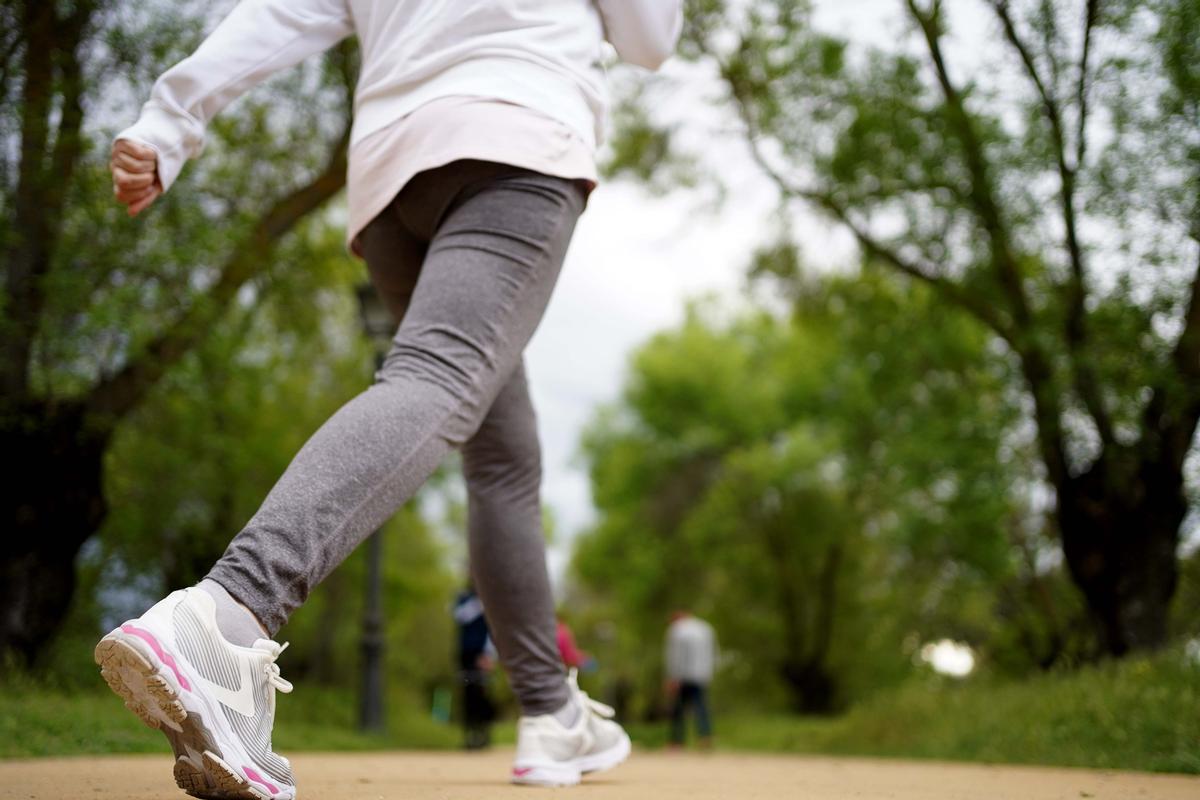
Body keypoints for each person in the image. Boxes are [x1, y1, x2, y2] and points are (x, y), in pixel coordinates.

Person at [95, 2, 683, 797]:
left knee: (503, 457)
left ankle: (551, 712)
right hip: (517, 133)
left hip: (391, 178)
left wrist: (171, 120)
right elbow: (649, 42)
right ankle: (229, 614)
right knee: (435, 378)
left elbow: (280, 12)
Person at [664, 610, 716, 749]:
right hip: (701, 675)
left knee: (678, 710)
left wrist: (673, 677)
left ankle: (677, 742)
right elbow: (711, 652)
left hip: (683, 676)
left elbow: (676, 655)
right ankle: (705, 737)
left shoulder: (677, 629)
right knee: (701, 707)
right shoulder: (705, 628)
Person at [453, 585, 496, 750]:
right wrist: (481, 603)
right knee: (467, 693)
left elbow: (492, 630)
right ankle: (469, 735)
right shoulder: (464, 598)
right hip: (466, 654)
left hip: (482, 655)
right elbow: (460, 616)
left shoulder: (491, 598)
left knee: (482, 695)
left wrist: (489, 654)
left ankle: (483, 733)